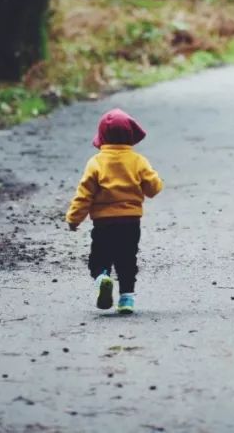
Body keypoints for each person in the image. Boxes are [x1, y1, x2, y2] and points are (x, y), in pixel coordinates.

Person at [66, 108, 163, 314]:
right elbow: (153, 188)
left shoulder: (96, 162)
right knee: (127, 259)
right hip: (130, 222)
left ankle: (102, 277)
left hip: (103, 223)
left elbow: (84, 194)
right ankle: (126, 298)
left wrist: (74, 218)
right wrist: (156, 182)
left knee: (99, 258)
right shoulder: (138, 161)